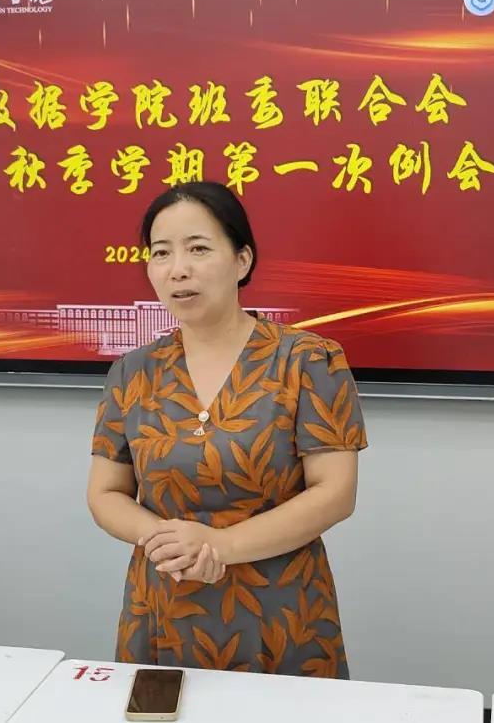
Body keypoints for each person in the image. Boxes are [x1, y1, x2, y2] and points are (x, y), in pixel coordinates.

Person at [86, 181, 367, 678]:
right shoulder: (132, 372)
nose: (178, 269)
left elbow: (335, 493)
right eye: (161, 252)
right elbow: (105, 493)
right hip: (164, 606)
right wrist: (164, 540)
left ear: (242, 260)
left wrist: (219, 546)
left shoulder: (308, 360)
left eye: (198, 248)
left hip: (281, 613)